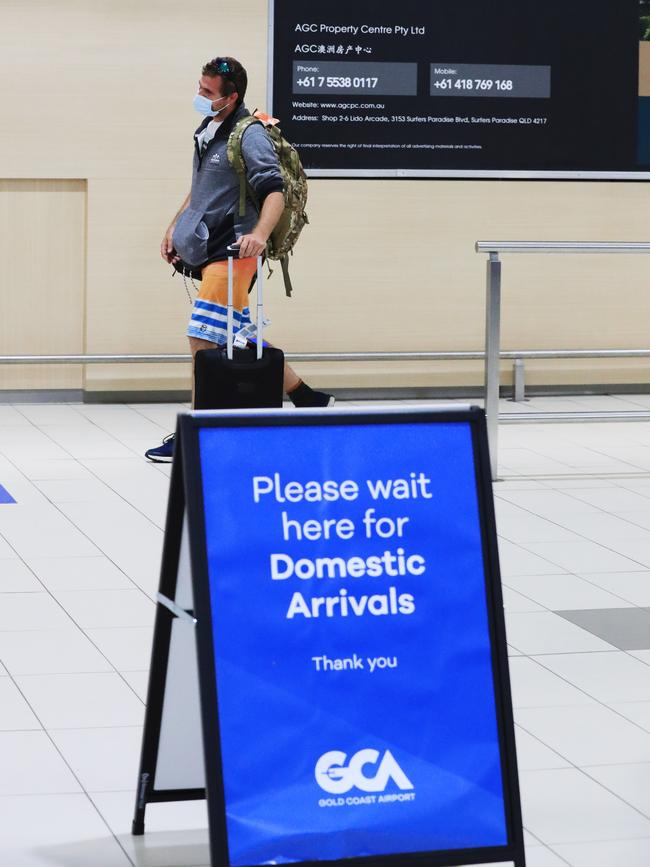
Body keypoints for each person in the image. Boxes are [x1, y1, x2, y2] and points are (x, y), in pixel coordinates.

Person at [145, 56, 333, 462]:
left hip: (234, 252)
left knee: (202, 335)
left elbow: (275, 191)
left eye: (207, 92)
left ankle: (196, 434)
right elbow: (200, 190)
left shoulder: (250, 135)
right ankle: (305, 396)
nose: (199, 95)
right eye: (199, 87)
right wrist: (173, 229)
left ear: (231, 97)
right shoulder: (209, 127)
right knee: (234, 334)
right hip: (207, 248)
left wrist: (260, 236)